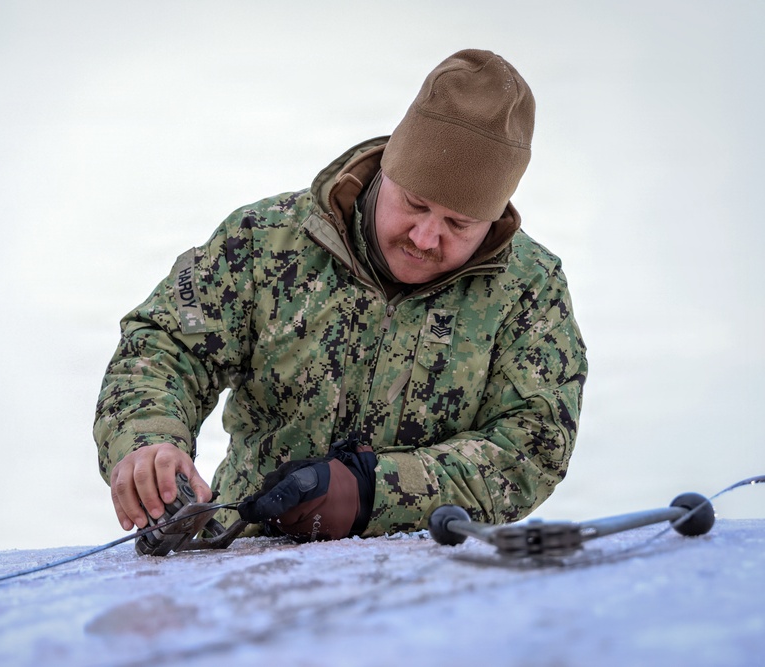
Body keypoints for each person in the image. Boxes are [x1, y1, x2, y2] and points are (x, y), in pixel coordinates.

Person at [94, 49, 587, 543]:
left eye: (459, 223)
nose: (424, 237)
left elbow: (532, 446)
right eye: (414, 204)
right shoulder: (265, 240)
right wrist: (149, 440)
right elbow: (164, 349)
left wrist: (375, 493)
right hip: (244, 558)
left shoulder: (529, 289)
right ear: (386, 171)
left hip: (432, 578)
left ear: (495, 216)